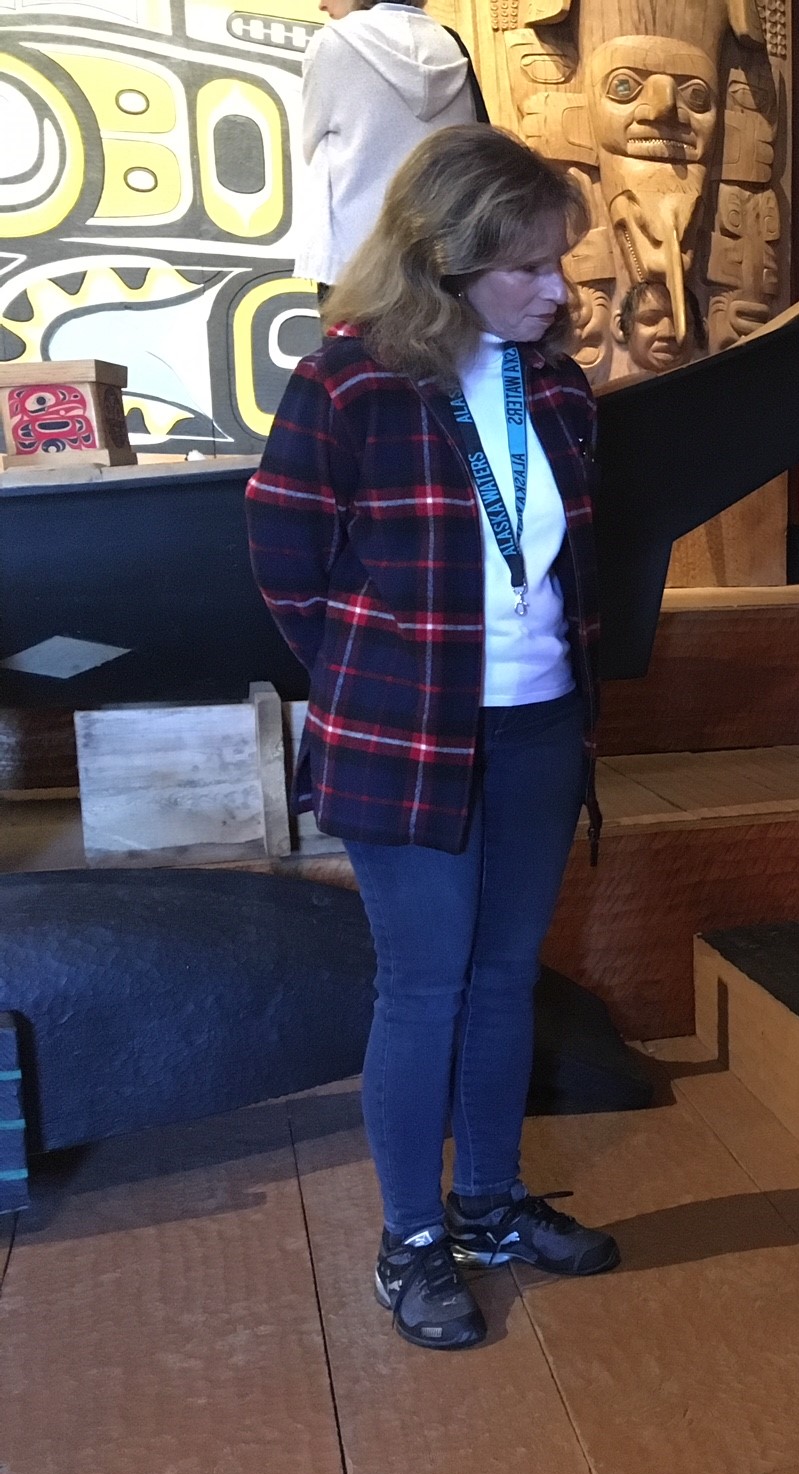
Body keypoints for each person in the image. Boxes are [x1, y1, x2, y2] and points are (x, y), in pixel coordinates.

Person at [247, 125, 619, 1352]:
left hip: (539, 730)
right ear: (441, 262)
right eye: (528, 267)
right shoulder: (348, 382)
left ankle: (492, 1207)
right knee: (424, 985)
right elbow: (288, 568)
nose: (558, 289)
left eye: (558, 261)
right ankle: (412, 1240)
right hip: (405, 738)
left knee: (507, 977)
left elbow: (571, 560)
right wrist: (381, 682)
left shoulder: (556, 386)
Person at [294, 0, 480, 296]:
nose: (321, 4)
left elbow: (309, 143)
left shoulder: (333, 42)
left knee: (359, 343)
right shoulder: (450, 45)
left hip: (356, 261)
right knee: (447, 340)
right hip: (446, 254)